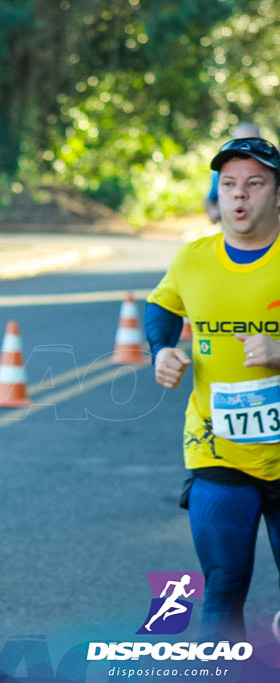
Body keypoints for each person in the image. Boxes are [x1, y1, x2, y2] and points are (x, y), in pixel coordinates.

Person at [145, 136, 280, 640]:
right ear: (217, 196)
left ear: (278, 193)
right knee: (222, 591)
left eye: (255, 184)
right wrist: (161, 350)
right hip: (216, 448)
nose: (240, 197)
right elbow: (162, 306)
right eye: (229, 186)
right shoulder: (192, 259)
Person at [205, 122, 261, 225]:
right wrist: (212, 211)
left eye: (254, 183)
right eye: (228, 183)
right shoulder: (221, 171)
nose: (246, 147)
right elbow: (210, 198)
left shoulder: (271, 169)